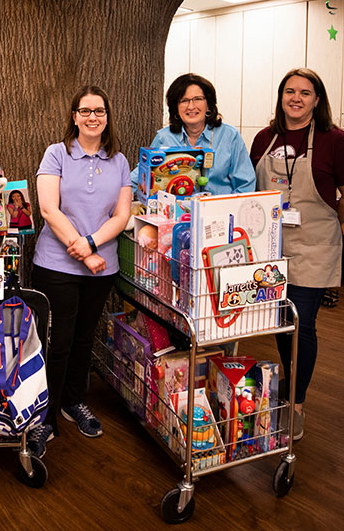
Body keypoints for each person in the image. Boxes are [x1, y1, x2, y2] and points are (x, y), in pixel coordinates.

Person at [250, 67, 344, 441]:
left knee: (303, 324)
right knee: (282, 323)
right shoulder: (265, 138)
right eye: (289, 91)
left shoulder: (336, 140)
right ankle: (288, 383)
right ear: (281, 96)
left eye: (305, 92)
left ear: (317, 99)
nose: (296, 98)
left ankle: (296, 403)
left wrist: (329, 223)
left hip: (313, 245)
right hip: (271, 247)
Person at [28, 86, 132, 458]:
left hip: (102, 267)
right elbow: (48, 209)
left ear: (107, 116)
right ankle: (43, 417)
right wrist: (85, 251)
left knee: (86, 340)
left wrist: (91, 245)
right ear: (74, 116)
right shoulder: (57, 153)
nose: (92, 117)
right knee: (56, 343)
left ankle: (73, 402)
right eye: (85, 111)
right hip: (56, 265)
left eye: (99, 111)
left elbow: (122, 215)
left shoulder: (119, 161)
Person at [130, 73, 255, 196]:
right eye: (184, 101)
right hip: (175, 213)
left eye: (198, 99)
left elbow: (245, 185)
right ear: (176, 109)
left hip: (221, 212)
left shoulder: (229, 136)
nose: (191, 106)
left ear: (209, 105)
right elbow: (140, 176)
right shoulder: (164, 137)